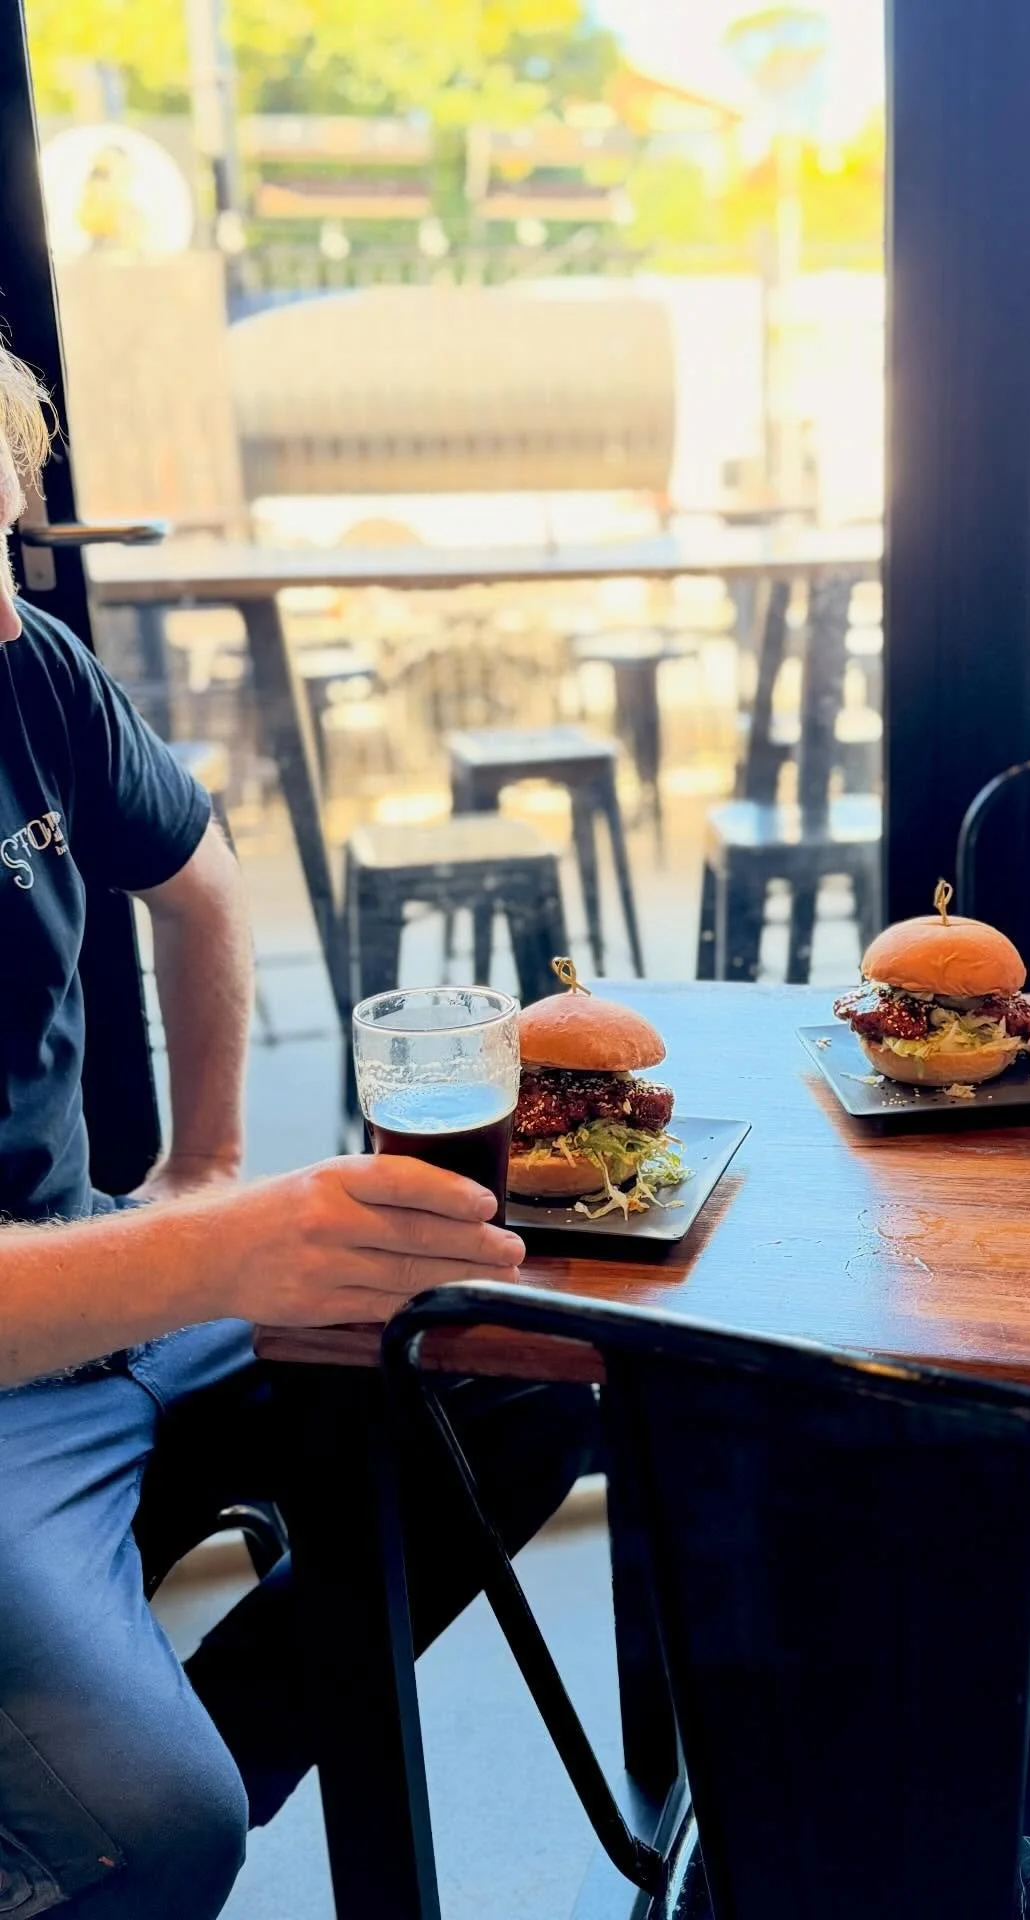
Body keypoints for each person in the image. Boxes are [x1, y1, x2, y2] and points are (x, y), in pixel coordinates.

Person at [0, 343, 593, 1918]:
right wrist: (217, 1244)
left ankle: (186, 1726)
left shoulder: (28, 666)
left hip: (105, 1292)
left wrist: (201, 1170)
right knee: (155, 1832)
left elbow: (199, 880)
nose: (1, 613)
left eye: (1, 542)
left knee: (526, 1375)